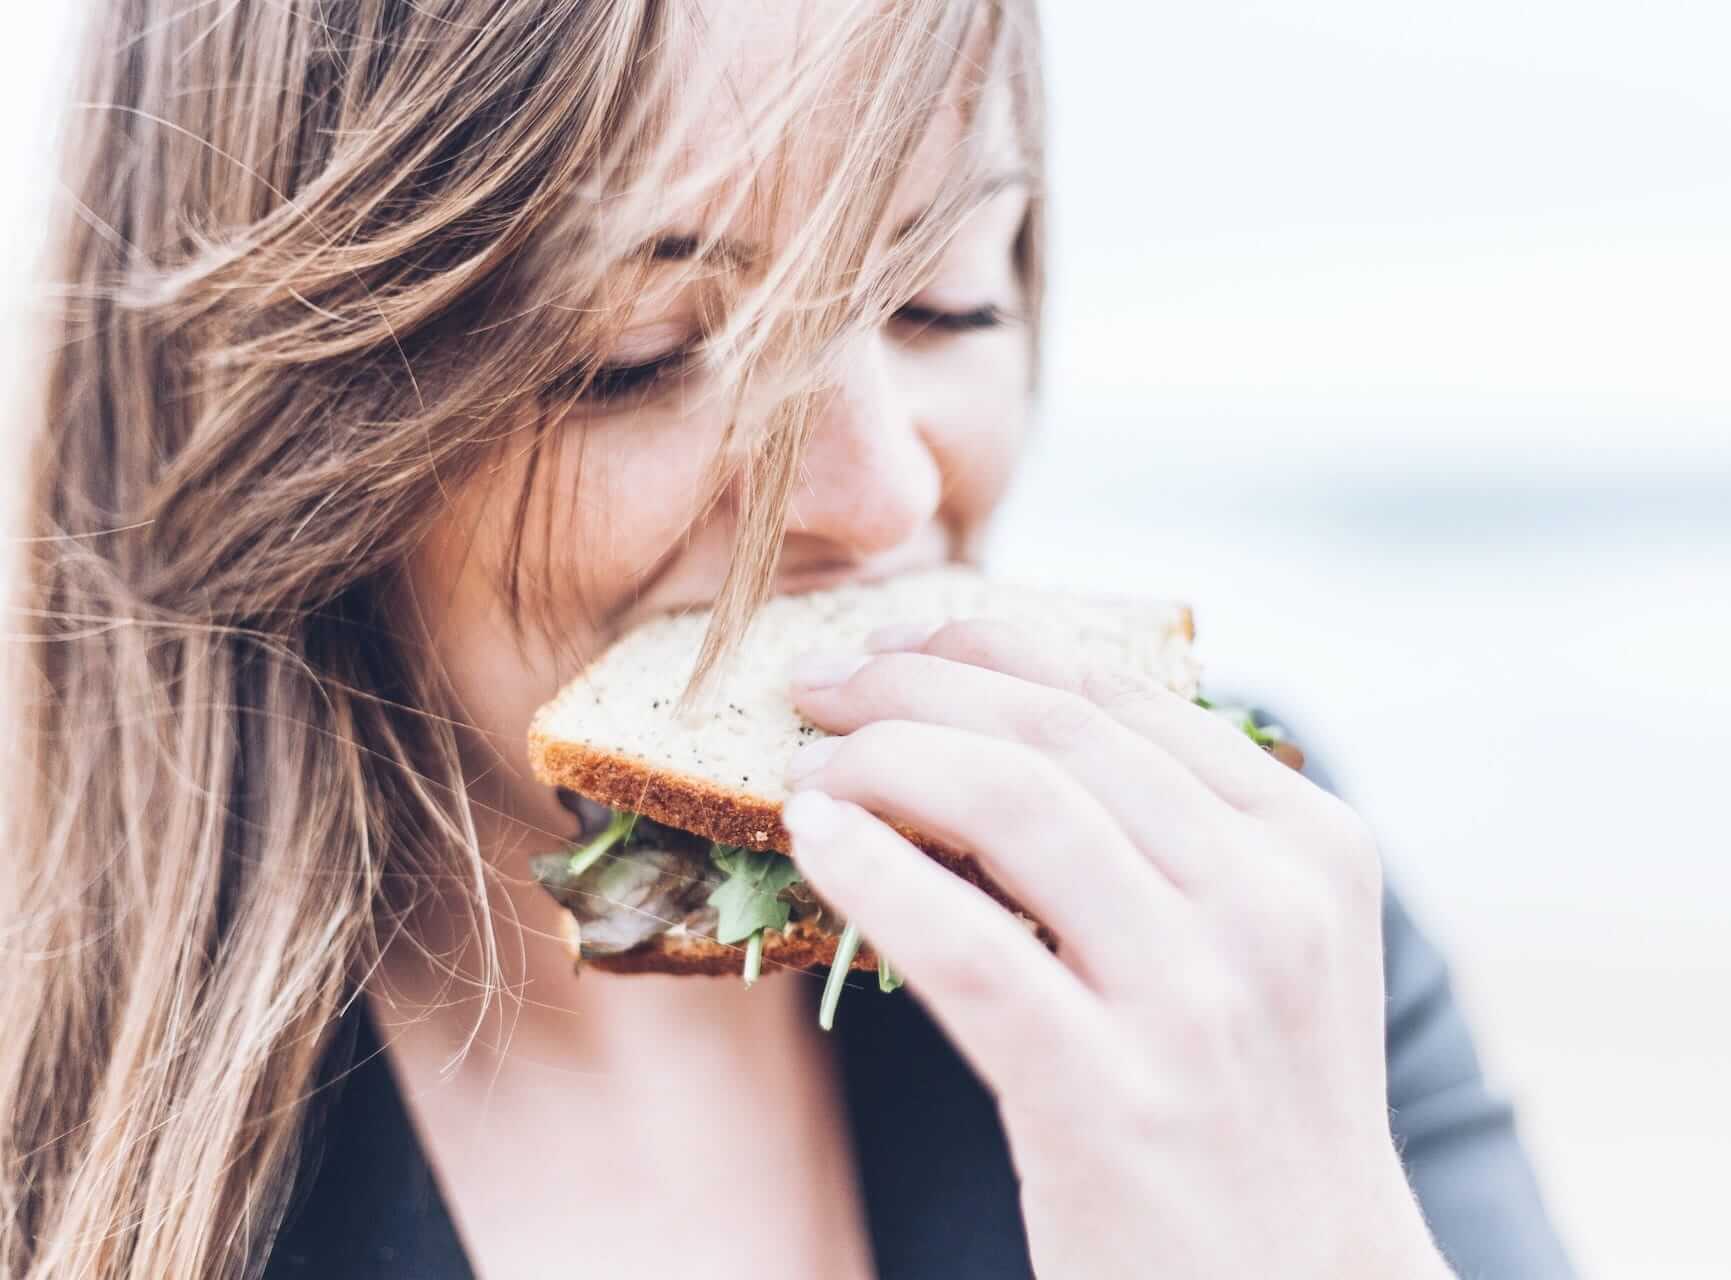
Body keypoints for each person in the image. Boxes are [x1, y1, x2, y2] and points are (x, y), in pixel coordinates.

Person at [2, 2, 1575, 1277]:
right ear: (282, 419)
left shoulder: (1240, 919)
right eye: (647, 355)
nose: (887, 491)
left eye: (947, 302)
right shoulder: (55, 1132)